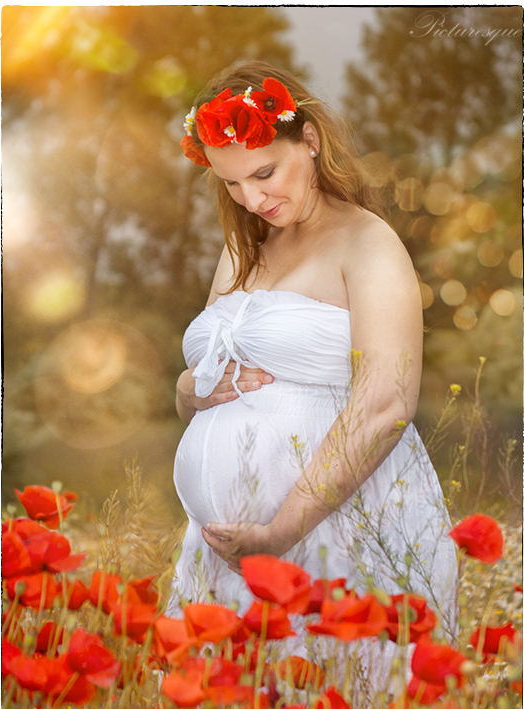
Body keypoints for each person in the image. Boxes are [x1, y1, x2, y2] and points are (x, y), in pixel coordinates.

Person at [166, 61, 457, 646]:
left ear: (312, 141)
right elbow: (199, 387)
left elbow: (385, 403)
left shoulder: (367, 243)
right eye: (231, 183)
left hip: (335, 533)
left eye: (264, 172)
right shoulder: (242, 248)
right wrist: (186, 390)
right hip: (224, 551)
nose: (251, 198)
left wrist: (279, 532)